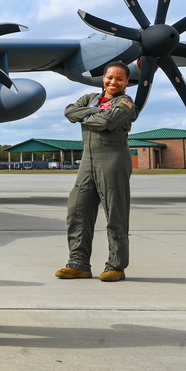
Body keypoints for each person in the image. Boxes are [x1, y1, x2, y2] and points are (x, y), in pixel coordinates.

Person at [56, 61, 138, 282]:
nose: (114, 82)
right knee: (77, 210)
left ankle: (116, 266)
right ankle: (78, 264)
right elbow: (69, 111)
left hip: (112, 160)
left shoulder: (126, 103)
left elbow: (107, 121)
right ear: (103, 77)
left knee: (115, 214)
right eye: (110, 77)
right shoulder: (90, 98)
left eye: (119, 79)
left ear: (126, 82)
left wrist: (87, 116)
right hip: (87, 160)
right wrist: (92, 113)